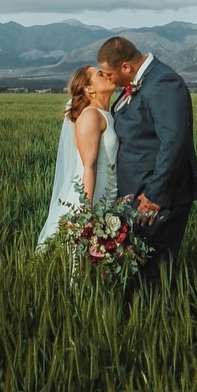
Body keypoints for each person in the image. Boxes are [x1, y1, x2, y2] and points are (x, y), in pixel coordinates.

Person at [96, 36, 197, 290]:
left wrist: (154, 195)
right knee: (139, 270)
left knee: (154, 272)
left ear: (126, 67)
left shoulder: (164, 82)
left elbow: (174, 143)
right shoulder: (141, 83)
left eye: (109, 74)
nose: (108, 79)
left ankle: (163, 314)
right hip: (137, 196)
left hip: (157, 199)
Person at [35, 65, 119, 253]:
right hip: (91, 198)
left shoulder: (106, 114)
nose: (107, 74)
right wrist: (86, 215)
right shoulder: (90, 116)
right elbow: (88, 167)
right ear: (89, 89)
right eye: (100, 74)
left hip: (107, 196)